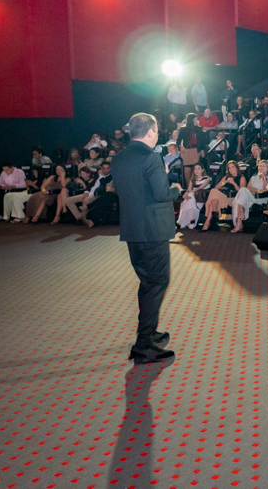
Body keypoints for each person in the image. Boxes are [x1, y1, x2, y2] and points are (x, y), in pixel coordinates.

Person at [111, 112, 183, 365]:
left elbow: (132, 190)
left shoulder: (118, 158)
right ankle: (143, 345)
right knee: (157, 282)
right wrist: (176, 189)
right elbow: (162, 193)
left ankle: (149, 333)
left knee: (147, 282)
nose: (157, 136)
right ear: (150, 132)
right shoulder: (151, 157)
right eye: (157, 132)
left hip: (132, 229)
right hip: (152, 231)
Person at [232, 160, 268, 233]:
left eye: (264, 166)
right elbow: (248, 188)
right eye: (260, 166)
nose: (261, 167)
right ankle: (240, 218)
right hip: (251, 197)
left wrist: (264, 178)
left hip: (260, 198)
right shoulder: (254, 177)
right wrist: (258, 190)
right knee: (243, 189)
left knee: (242, 194)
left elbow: (265, 188)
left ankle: (239, 222)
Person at [202, 160, 241, 231]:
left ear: (236, 168)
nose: (231, 169)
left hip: (233, 198)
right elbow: (216, 187)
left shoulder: (241, 177)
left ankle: (208, 222)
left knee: (211, 202)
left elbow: (242, 191)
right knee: (213, 191)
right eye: (229, 168)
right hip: (223, 197)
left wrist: (233, 183)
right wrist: (225, 182)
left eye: (233, 167)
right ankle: (214, 211)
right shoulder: (226, 177)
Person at [176, 163, 211, 229]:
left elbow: (201, 187)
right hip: (192, 198)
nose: (196, 171)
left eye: (198, 169)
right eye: (195, 169)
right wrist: (186, 193)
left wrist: (191, 192)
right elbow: (189, 189)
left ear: (202, 170)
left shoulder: (207, 178)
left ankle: (181, 223)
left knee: (186, 201)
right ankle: (191, 220)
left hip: (200, 198)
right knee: (188, 200)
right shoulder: (192, 180)